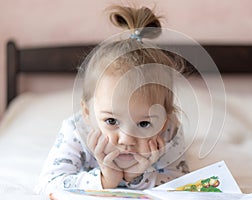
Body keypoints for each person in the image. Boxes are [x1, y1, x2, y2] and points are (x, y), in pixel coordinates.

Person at [35, 5, 190, 196]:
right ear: (87, 113)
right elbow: (47, 185)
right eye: (111, 121)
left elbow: (183, 186)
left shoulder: (169, 134)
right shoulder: (76, 132)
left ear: (165, 120)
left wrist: (137, 177)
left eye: (144, 123)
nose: (126, 140)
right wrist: (104, 179)